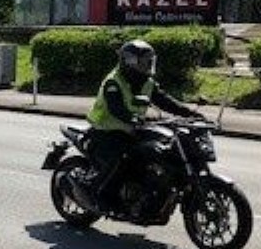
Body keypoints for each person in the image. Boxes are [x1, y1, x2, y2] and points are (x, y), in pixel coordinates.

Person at [77, 39, 202, 209]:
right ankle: (98, 194)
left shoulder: (147, 82)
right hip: (105, 131)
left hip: (132, 130)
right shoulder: (114, 82)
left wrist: (191, 114)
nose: (147, 66)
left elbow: (165, 101)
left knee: (157, 151)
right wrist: (134, 119)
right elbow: (116, 108)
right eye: (143, 63)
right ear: (129, 62)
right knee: (122, 158)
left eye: (149, 62)